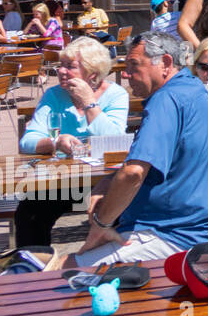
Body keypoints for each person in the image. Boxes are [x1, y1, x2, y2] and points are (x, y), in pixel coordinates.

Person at [65, 32, 208, 268]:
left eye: (134, 65)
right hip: (195, 230)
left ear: (165, 63)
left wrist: (100, 227)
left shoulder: (166, 99)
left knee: (59, 273)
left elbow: (134, 173)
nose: (125, 73)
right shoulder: (192, 89)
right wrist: (108, 182)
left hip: (176, 236)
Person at [14, 37, 131, 245]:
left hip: (103, 179)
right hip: (63, 179)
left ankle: (112, 266)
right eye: (61, 65)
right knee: (30, 211)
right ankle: (31, 267)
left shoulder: (115, 95)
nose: (61, 71)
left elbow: (116, 140)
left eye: (70, 66)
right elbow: (28, 141)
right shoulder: (54, 95)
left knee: (122, 210)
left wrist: (88, 102)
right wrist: (56, 141)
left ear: (92, 73)